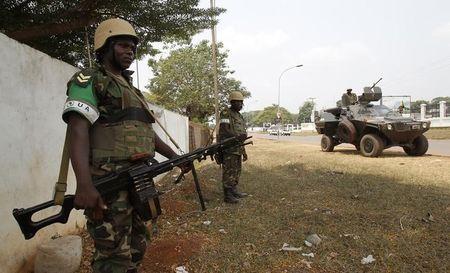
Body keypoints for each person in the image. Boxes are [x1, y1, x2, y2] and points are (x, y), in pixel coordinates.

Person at [62, 18, 183, 273]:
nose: (130, 51)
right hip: (109, 183)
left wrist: (175, 157)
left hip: (139, 181)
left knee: (138, 247)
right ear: (105, 47)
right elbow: (77, 128)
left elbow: (146, 133)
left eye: (133, 48)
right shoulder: (90, 79)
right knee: (113, 256)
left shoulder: (133, 89)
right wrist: (84, 184)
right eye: (123, 46)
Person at [218, 91, 248, 203]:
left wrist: (244, 151)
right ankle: (228, 195)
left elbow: (241, 134)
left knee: (236, 171)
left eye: (242, 103)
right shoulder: (226, 113)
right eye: (238, 102)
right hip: (229, 148)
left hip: (238, 148)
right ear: (232, 102)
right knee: (229, 172)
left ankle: (234, 191)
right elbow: (224, 129)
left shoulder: (239, 115)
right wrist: (237, 137)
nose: (241, 105)